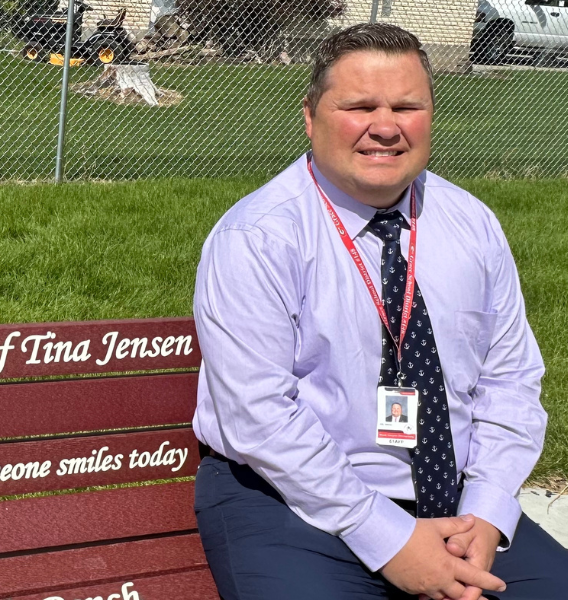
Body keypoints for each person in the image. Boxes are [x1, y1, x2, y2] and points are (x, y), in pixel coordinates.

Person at [192, 23, 568, 600]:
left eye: (407, 106)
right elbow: (258, 417)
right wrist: (390, 539)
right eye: (360, 106)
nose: (386, 127)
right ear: (310, 115)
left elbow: (511, 379)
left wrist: (488, 511)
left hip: (458, 504)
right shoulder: (259, 236)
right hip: (292, 500)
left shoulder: (471, 224)